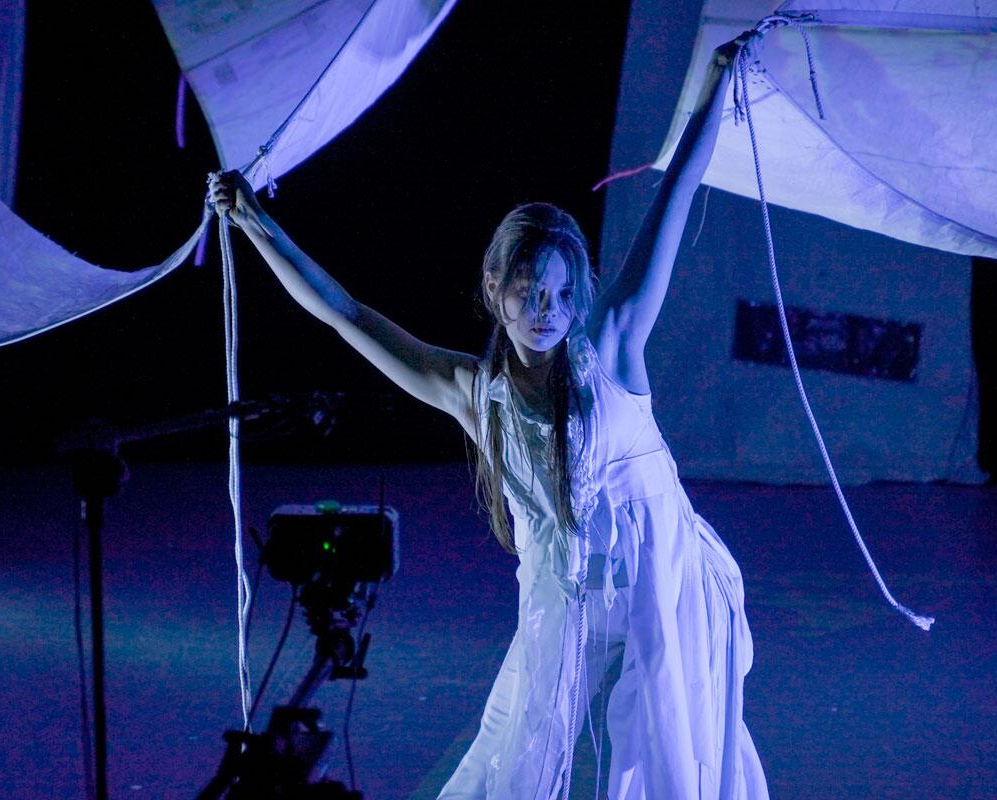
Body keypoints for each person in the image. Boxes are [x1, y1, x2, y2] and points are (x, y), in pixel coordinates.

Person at [209, 31, 766, 800]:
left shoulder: (613, 344)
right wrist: (256, 227)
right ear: (495, 287)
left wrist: (715, 84)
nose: (547, 312)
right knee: (516, 758)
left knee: (666, 761)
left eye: (562, 296)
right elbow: (346, 314)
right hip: (559, 598)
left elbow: (676, 196)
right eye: (530, 294)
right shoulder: (476, 393)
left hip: (659, 585)